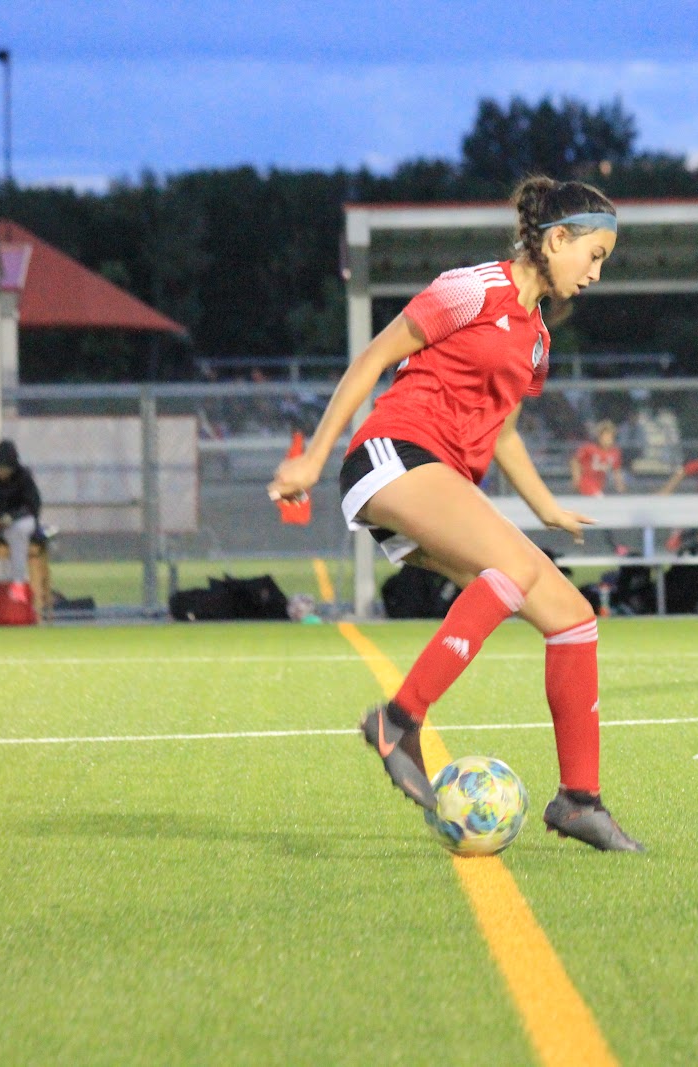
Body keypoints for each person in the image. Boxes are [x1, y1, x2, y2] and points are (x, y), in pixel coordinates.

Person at [267, 176, 644, 851]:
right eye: (593, 255)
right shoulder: (472, 288)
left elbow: (503, 434)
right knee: (511, 565)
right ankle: (398, 719)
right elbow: (375, 357)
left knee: (571, 615)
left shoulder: (536, 341)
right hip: (394, 455)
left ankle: (579, 799)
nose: (595, 272)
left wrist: (546, 507)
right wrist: (314, 457)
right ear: (556, 239)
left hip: (442, 482)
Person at [0, 440, 42, 607]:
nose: (2, 473)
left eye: (5, 470)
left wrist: (12, 517)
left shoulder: (23, 476)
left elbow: (32, 505)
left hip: (15, 523)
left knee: (21, 529)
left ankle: (18, 582)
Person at [571, 419, 626, 496]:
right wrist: (576, 478)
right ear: (599, 437)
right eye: (605, 436)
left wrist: (619, 484)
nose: (608, 439)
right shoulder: (589, 448)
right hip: (586, 483)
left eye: (610, 436)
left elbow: (616, 470)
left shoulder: (615, 452)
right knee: (599, 498)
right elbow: (575, 461)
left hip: (599, 485)